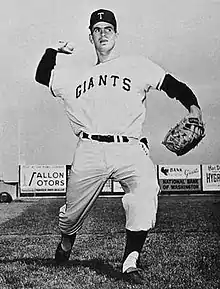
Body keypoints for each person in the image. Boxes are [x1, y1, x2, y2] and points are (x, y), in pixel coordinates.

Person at [35, 8, 203, 284]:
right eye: (97, 30)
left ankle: (130, 260)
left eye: (108, 29)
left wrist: (194, 108)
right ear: (90, 37)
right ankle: (66, 243)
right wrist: (52, 50)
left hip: (129, 147)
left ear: (116, 34)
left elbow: (174, 85)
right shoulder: (77, 76)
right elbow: (43, 78)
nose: (103, 34)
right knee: (71, 216)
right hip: (90, 149)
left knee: (146, 187)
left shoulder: (136, 64)